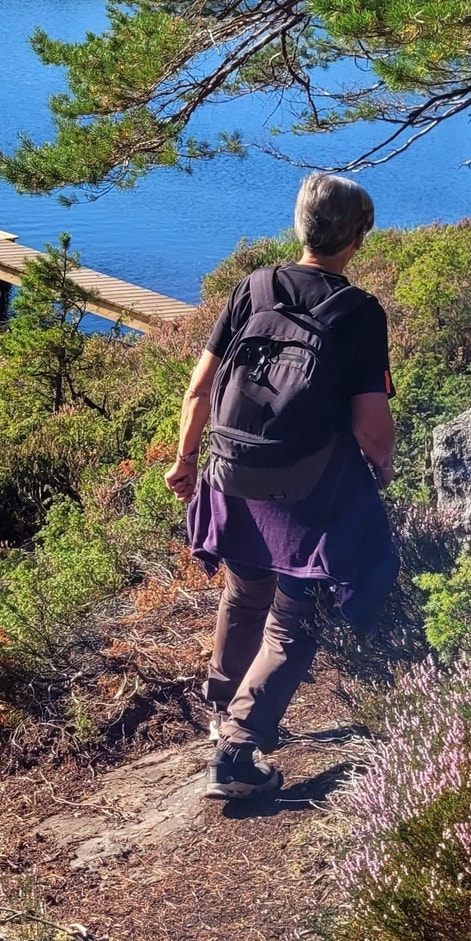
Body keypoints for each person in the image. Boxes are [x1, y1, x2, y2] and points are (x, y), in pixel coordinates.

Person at [166, 171, 399, 800]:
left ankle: (224, 713)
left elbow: (200, 388)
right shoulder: (358, 314)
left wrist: (185, 460)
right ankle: (237, 758)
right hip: (305, 488)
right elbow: (372, 427)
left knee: (245, 592)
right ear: (358, 237)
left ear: (300, 227)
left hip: (232, 472)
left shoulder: (254, 288)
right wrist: (382, 469)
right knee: (292, 620)